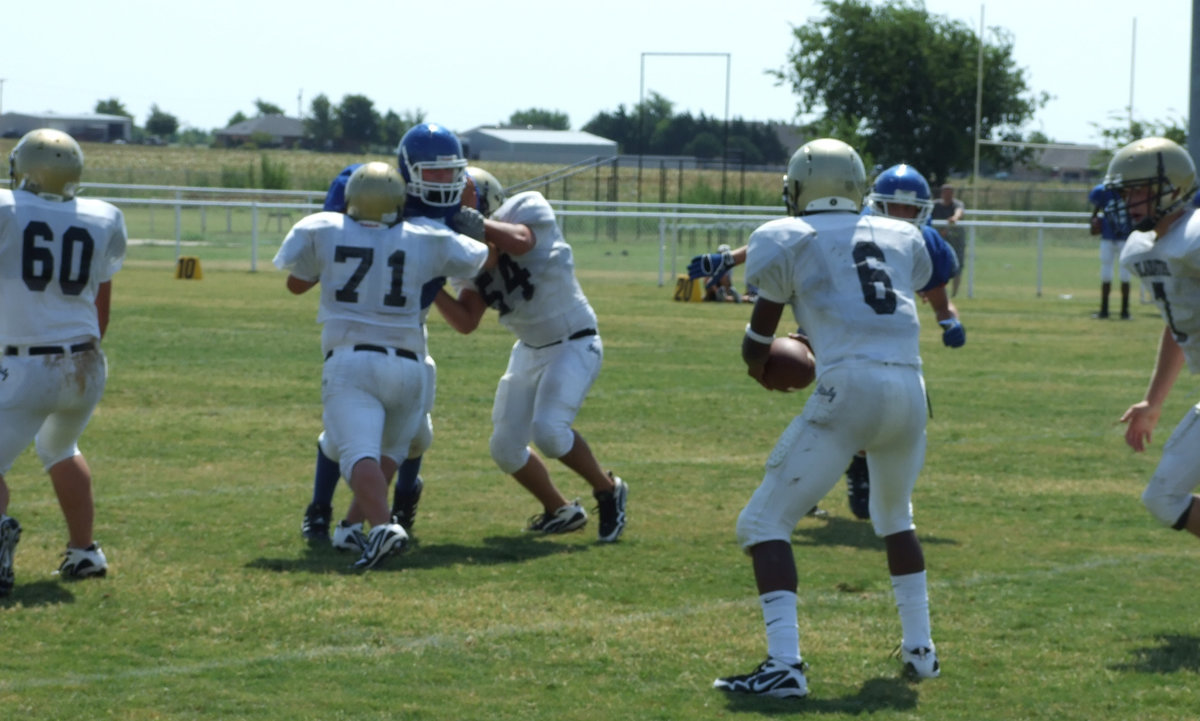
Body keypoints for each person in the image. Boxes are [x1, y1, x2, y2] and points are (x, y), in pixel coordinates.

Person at [712, 139, 948, 698]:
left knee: (761, 524)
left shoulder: (782, 236)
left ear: (798, 189)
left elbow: (758, 340)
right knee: (895, 516)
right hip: (911, 388)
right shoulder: (901, 234)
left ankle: (784, 666)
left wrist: (763, 366)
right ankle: (921, 651)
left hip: (849, 386)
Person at [687, 163, 965, 521]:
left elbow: (938, 297)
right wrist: (729, 258)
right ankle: (808, 483)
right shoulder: (852, 221)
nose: (900, 215)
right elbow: (792, 237)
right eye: (893, 206)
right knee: (828, 394)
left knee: (870, 406)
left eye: (908, 209)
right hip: (831, 321)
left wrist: (948, 321)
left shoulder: (922, 241)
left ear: (922, 209)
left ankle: (854, 471)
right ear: (874, 202)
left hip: (884, 338)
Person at [274, 162, 494, 570]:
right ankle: (350, 528)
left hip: (353, 359)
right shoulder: (424, 236)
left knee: (358, 456)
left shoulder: (323, 228)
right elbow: (479, 259)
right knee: (391, 453)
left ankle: (382, 528)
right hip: (410, 363)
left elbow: (294, 283)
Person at [435, 166, 629, 543]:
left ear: (486, 198)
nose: (452, 205)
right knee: (505, 449)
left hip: (574, 339)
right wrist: (432, 289)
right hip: (528, 348)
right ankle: (560, 509)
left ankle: (608, 489)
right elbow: (467, 320)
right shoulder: (466, 252)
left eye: (460, 197)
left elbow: (522, 242)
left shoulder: (527, 207)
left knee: (550, 433)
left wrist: (477, 226)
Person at [0, 128, 128, 595]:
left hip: (29, 364)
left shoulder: (7, 208)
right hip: (87, 362)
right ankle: (85, 551)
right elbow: (102, 299)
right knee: (61, 448)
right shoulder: (103, 216)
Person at [1107, 137, 1200, 541]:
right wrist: (1154, 401)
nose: (1131, 201)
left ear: (1173, 188)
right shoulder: (1147, 247)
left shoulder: (1195, 234)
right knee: (1163, 497)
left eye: (1140, 190)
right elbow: (1179, 322)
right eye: (1127, 192)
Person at [1088, 182, 1133, 319]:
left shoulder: (1132, 192)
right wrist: (1094, 221)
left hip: (1124, 238)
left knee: (1125, 275)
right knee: (1106, 274)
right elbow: (1096, 211)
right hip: (1108, 238)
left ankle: (1124, 311)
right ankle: (1105, 310)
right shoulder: (1104, 191)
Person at [931, 184, 966, 297]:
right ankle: (938, 292)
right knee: (938, 266)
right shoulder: (935, 205)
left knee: (958, 267)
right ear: (941, 193)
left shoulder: (957, 204)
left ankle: (954, 295)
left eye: (950, 192)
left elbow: (959, 212)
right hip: (940, 241)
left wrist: (954, 218)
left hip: (956, 241)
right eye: (945, 192)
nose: (948, 195)